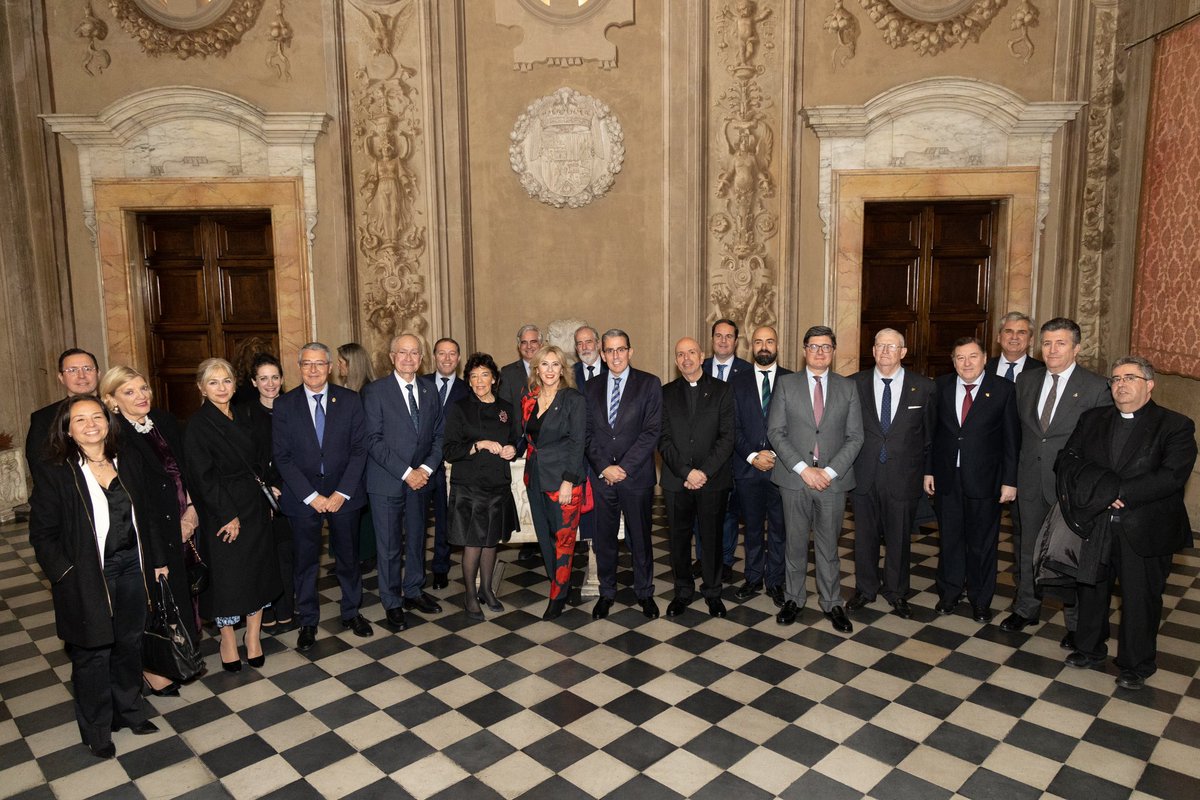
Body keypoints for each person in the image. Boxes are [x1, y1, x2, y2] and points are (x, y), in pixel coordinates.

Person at [29, 396, 167, 758]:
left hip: (132, 567)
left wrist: (157, 560)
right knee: (92, 652)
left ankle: (130, 710)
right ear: (68, 430)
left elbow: (147, 516)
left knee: (129, 642)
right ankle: (96, 727)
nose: (91, 425)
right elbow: (42, 534)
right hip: (88, 575)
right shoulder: (58, 470)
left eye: (97, 417)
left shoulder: (127, 459)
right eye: (80, 420)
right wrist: (66, 574)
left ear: (108, 422)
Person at [1062, 356, 1197, 690]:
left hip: (1145, 526)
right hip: (1098, 521)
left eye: (1130, 378)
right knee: (1092, 588)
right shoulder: (1092, 418)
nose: (1120, 384)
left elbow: (1172, 475)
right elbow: (1068, 460)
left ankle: (1137, 663)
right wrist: (1103, 492)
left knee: (1140, 598)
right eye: (1116, 379)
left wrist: (1120, 492)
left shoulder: (1175, 425)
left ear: (1149, 384)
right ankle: (1089, 649)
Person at [1002, 318, 1111, 639]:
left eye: (1060, 343)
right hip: (1030, 481)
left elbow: (1101, 446)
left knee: (1071, 555)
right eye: (1047, 343)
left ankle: (1076, 625)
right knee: (1026, 548)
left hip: (1072, 488)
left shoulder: (1096, 387)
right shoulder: (1026, 381)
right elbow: (1018, 435)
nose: (1052, 350)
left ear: (1077, 348)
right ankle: (1025, 608)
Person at [99, 366, 200, 696]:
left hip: (183, 524)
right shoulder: (115, 439)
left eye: (143, 388)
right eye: (129, 392)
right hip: (150, 535)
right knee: (156, 603)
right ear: (111, 401)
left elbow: (188, 471)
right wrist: (155, 553)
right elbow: (135, 503)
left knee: (179, 598)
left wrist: (193, 513)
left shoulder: (164, 422)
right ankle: (155, 669)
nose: (141, 396)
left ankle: (177, 659)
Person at [184, 358, 282, 671]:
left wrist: (268, 492)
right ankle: (228, 638)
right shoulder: (197, 426)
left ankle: (253, 636)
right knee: (228, 577)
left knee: (257, 570)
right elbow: (202, 476)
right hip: (221, 509)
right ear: (201, 387)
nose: (221, 387)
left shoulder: (245, 414)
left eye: (226, 380)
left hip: (253, 504)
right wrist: (227, 514)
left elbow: (261, 458)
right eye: (213, 382)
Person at [274, 344, 373, 650]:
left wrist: (341, 492)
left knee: (348, 557)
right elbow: (282, 456)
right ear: (298, 366)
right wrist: (311, 496)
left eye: (319, 364)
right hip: (303, 498)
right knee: (305, 563)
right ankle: (307, 621)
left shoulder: (350, 400)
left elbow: (360, 449)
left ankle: (351, 611)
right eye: (307, 364)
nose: (313, 370)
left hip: (344, 495)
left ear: (330, 367)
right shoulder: (284, 405)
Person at [769, 325, 863, 633]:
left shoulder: (848, 388)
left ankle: (832, 602)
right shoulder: (786, 385)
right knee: (794, 544)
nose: (819, 352)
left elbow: (855, 436)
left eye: (825, 347)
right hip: (795, 479)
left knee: (828, 547)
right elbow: (776, 432)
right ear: (804, 350)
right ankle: (794, 599)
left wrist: (829, 471)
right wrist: (803, 469)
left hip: (833, 482)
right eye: (813, 346)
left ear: (833, 352)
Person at [926, 337, 1018, 623]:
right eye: (960, 357)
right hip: (946, 478)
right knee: (950, 539)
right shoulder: (939, 387)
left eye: (973, 356)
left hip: (985, 480)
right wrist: (928, 471)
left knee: (982, 543)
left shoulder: (1003, 390)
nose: (966, 363)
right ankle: (950, 593)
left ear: (984, 358)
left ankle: (980, 599)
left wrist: (1010, 480)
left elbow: (1012, 441)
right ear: (953, 361)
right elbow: (931, 434)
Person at [846, 329, 935, 620]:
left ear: (903, 352)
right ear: (872, 350)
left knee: (899, 538)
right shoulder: (853, 384)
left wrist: (929, 472)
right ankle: (865, 589)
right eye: (880, 345)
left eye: (892, 346)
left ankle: (896, 592)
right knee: (865, 536)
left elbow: (931, 436)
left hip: (903, 475)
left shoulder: (923, 387)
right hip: (863, 473)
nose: (885, 351)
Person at [363, 333, 445, 630]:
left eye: (414, 353)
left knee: (417, 538)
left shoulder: (429, 390)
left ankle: (412, 590)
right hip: (387, 481)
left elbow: (439, 435)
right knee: (388, 547)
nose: (408, 358)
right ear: (391, 357)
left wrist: (424, 469)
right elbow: (373, 440)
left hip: (421, 480)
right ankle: (392, 601)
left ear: (422, 359)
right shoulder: (375, 392)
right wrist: (406, 472)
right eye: (402, 353)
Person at [584, 329, 663, 620]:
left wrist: (624, 468)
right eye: (610, 351)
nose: (615, 355)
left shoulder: (649, 384)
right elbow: (587, 433)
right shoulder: (590, 387)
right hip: (602, 477)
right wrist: (604, 467)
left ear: (631, 351)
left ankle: (645, 592)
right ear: (602, 355)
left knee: (640, 538)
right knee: (603, 539)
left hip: (636, 476)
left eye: (621, 349)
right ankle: (607, 593)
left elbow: (652, 431)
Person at [442, 353, 522, 620]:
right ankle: (469, 594)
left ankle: (487, 590)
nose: (479, 381)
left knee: (491, 542)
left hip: (498, 484)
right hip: (470, 486)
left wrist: (513, 449)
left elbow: (517, 440)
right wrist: (478, 445)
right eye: (474, 376)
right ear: (468, 381)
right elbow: (450, 450)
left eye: (484, 375)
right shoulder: (459, 408)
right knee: (473, 543)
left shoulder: (506, 408)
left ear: (494, 378)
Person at [661, 338, 735, 619]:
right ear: (676, 360)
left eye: (691, 352)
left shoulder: (722, 391)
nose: (686, 358)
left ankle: (713, 592)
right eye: (680, 354)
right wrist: (686, 472)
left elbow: (727, 437)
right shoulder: (665, 393)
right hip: (676, 480)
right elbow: (663, 438)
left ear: (702, 356)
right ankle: (682, 591)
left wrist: (703, 472)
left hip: (712, 480)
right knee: (678, 539)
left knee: (712, 537)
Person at [520, 345, 587, 620]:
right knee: (545, 540)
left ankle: (557, 597)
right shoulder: (529, 398)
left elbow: (578, 443)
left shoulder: (573, 399)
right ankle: (559, 582)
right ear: (536, 369)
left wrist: (568, 482)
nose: (549, 370)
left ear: (563, 370)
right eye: (544, 364)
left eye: (555, 365)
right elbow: (524, 435)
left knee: (564, 540)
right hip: (534, 476)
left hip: (563, 480)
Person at [730, 326, 791, 605]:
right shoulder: (736, 381)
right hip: (747, 468)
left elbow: (798, 427)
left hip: (783, 469)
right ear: (750, 346)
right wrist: (753, 456)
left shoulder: (792, 380)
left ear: (777, 345)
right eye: (758, 342)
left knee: (780, 528)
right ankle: (753, 577)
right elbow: (732, 427)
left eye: (769, 341)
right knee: (752, 527)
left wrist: (777, 456)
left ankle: (776, 581)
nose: (764, 346)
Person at [238, 353, 297, 635]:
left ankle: (287, 608)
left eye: (275, 377)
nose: (270, 383)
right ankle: (269, 610)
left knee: (288, 553)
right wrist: (264, 487)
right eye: (263, 378)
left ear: (283, 379)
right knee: (265, 555)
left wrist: (287, 487)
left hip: (294, 491)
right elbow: (244, 458)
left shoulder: (295, 408)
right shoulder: (245, 414)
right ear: (254, 382)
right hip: (260, 494)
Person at [702, 319, 753, 581]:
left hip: (735, 454)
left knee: (730, 512)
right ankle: (704, 559)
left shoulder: (748, 371)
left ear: (736, 341)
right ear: (712, 340)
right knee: (702, 512)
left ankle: (725, 560)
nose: (723, 341)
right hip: (703, 455)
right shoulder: (699, 368)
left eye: (729, 336)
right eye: (718, 336)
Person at [422, 337, 470, 590]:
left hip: (451, 465)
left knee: (445, 518)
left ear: (459, 358)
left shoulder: (467, 390)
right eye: (442, 354)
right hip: (420, 465)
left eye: (452, 354)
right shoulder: (420, 384)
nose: (447, 358)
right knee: (416, 522)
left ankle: (440, 567)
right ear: (434, 356)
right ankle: (416, 572)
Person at [26, 348, 101, 482]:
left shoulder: (117, 409)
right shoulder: (44, 418)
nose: (82, 375)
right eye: (72, 370)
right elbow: (40, 468)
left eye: (88, 369)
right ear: (61, 378)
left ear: (98, 373)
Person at [337, 342, 379, 575]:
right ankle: (350, 558)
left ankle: (366, 556)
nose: (338, 366)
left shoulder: (367, 392)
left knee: (365, 514)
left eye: (342, 362)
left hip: (365, 464)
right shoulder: (347, 390)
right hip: (349, 464)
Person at [572, 324, 606, 551]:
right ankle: (588, 554)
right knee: (585, 506)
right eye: (579, 343)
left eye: (588, 342)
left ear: (598, 344)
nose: (585, 347)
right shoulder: (568, 372)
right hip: (579, 450)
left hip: (607, 450)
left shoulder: (614, 368)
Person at [985, 312, 1044, 382]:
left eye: (1021, 332)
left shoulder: (1042, 370)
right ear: (999, 337)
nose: (1014, 337)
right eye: (1008, 332)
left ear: (1031, 340)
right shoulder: (983, 367)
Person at [498, 324, 542, 412]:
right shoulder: (508, 373)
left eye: (533, 342)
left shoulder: (551, 370)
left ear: (541, 345)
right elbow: (504, 407)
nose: (529, 346)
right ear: (519, 346)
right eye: (524, 342)